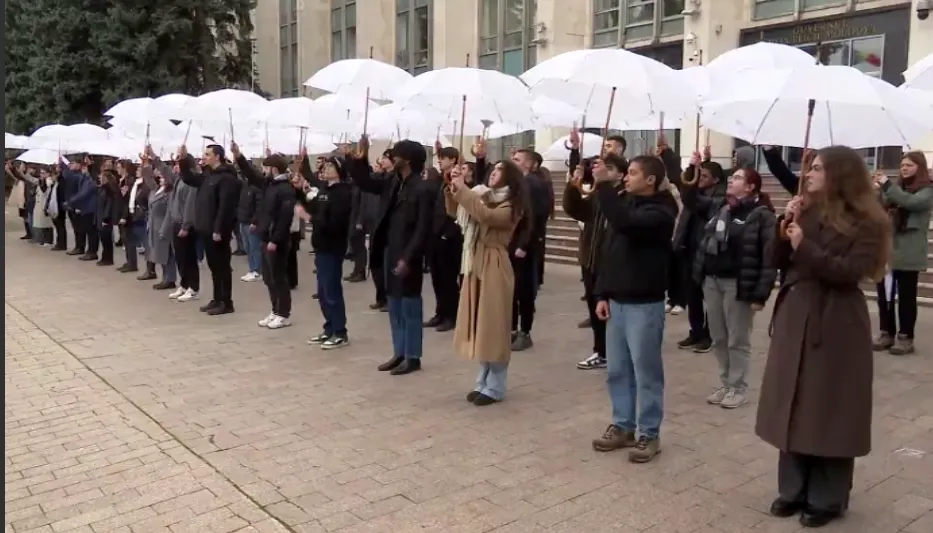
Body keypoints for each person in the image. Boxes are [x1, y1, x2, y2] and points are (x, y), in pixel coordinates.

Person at [756, 146, 891, 528]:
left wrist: (805, 245)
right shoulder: (805, 209)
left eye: (817, 168)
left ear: (839, 175)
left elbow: (848, 272)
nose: (808, 173)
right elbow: (776, 261)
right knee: (793, 402)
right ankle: (792, 489)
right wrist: (785, 228)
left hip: (836, 322)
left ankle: (827, 497)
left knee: (830, 408)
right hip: (795, 316)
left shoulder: (869, 221)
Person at [590, 154, 677, 464]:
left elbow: (626, 224)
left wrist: (604, 185)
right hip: (616, 301)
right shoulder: (626, 203)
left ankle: (649, 433)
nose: (626, 177)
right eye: (626, 173)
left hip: (644, 305)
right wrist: (602, 293)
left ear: (650, 180)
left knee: (646, 373)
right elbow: (609, 251)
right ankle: (623, 425)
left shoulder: (662, 211)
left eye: (633, 173)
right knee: (617, 370)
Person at [684, 161, 777, 409]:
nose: (731, 181)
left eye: (737, 178)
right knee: (718, 337)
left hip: (738, 284)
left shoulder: (762, 216)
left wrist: (761, 294)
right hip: (712, 280)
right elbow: (691, 200)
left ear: (750, 186)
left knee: (737, 339)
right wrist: (692, 170)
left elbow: (769, 257)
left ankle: (739, 387)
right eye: (732, 177)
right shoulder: (721, 207)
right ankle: (726, 383)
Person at [346, 136, 433, 375]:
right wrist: (359, 160)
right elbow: (365, 182)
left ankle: (413, 356)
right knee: (394, 305)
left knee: (410, 306)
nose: (391, 158)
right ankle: (399, 352)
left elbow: (423, 228)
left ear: (408, 160)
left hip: (408, 256)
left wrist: (409, 257)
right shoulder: (392, 182)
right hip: (388, 250)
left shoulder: (422, 188)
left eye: (396, 154)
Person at [447, 159, 527, 405]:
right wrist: (454, 186)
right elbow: (456, 211)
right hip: (476, 261)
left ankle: (496, 387)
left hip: (495, 263)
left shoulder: (511, 205)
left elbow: (486, 216)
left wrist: (464, 190)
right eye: (494, 169)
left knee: (493, 325)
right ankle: (482, 382)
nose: (494, 172)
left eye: (500, 169)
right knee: (480, 325)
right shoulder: (483, 195)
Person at [872, 151, 933, 355]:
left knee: (906, 297)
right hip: (888, 249)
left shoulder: (927, 190)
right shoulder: (895, 188)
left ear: (920, 168)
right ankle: (886, 332)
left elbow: (911, 202)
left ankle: (906, 337)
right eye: (903, 165)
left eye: (910, 165)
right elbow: (880, 208)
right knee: (884, 295)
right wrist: (877, 191)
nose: (905, 168)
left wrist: (888, 186)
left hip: (909, 251)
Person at [233, 149, 298, 330]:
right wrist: (239, 157)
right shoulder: (269, 185)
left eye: (266, 168)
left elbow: (284, 218)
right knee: (269, 278)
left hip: (277, 241)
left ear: (274, 169)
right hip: (265, 237)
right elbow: (263, 205)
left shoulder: (285, 189)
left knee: (279, 278)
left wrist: (275, 240)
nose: (263, 171)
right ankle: (275, 310)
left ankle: (284, 314)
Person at [177, 143, 242, 316]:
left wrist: (218, 229)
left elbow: (225, 206)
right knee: (214, 266)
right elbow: (189, 179)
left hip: (217, 230)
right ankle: (217, 298)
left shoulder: (226, 178)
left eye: (208, 154)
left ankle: (226, 302)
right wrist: (183, 159)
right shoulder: (208, 175)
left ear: (217, 156)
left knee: (222, 266)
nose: (204, 157)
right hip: (206, 228)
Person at [300, 153, 353, 347]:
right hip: (321, 246)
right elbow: (314, 207)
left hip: (333, 246)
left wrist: (309, 218)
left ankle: (340, 331)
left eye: (331, 166)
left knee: (331, 290)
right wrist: (302, 193)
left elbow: (335, 223)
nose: (326, 169)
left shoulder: (343, 193)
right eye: (326, 166)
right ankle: (329, 327)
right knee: (322, 292)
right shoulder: (324, 190)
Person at [673, 160, 726, 354]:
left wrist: (690, 175)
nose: (699, 179)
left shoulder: (718, 199)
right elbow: (687, 190)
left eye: (704, 176)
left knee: (709, 298)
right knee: (692, 295)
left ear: (716, 180)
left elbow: (690, 198)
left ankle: (709, 335)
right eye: (699, 175)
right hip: (689, 249)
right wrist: (692, 167)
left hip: (706, 254)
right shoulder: (697, 194)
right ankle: (695, 332)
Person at [508, 148, 551, 351]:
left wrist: (524, 244)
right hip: (513, 242)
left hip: (525, 245)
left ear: (528, 163)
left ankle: (525, 331)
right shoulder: (518, 183)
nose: (513, 162)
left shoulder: (534, 184)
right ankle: (512, 329)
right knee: (512, 289)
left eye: (517, 159)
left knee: (524, 289)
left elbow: (536, 217)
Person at [425, 146, 463, 332]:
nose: (439, 161)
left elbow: (458, 211)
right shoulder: (441, 181)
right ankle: (440, 312)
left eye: (443, 158)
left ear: (453, 160)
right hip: (435, 234)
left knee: (448, 279)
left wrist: (448, 233)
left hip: (450, 236)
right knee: (437, 277)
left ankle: (451, 316)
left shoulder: (459, 180)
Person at [154, 152, 200, 302]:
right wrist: (154, 156)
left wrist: (186, 226)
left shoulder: (191, 182)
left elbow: (189, 205)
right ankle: (184, 285)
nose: (175, 167)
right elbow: (165, 171)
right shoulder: (178, 179)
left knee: (189, 258)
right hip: (175, 223)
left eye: (178, 165)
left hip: (185, 225)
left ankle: (193, 288)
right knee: (180, 257)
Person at [142, 158, 177, 291]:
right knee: (159, 254)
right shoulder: (157, 189)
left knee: (167, 254)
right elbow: (147, 178)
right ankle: (165, 278)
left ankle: (170, 279)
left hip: (163, 225)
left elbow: (169, 213)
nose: (160, 179)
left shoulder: (169, 193)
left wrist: (164, 229)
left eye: (163, 177)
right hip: (153, 224)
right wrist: (146, 164)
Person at [60, 155, 99, 260]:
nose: (83, 169)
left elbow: (83, 193)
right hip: (82, 207)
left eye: (85, 167)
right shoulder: (84, 178)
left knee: (90, 231)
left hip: (88, 207)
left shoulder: (89, 179)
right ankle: (86, 249)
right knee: (84, 229)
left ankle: (91, 251)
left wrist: (70, 202)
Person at [237, 159, 263, 282]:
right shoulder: (244, 186)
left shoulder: (256, 188)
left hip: (251, 222)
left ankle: (257, 271)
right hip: (243, 220)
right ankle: (252, 269)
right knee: (247, 247)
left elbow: (259, 206)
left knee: (255, 247)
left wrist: (255, 221)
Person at [95, 170, 122, 266]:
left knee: (106, 239)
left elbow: (109, 205)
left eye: (101, 177)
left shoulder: (109, 190)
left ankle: (108, 258)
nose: (99, 178)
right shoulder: (102, 188)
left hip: (105, 217)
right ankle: (105, 257)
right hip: (100, 215)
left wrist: (106, 218)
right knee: (103, 238)